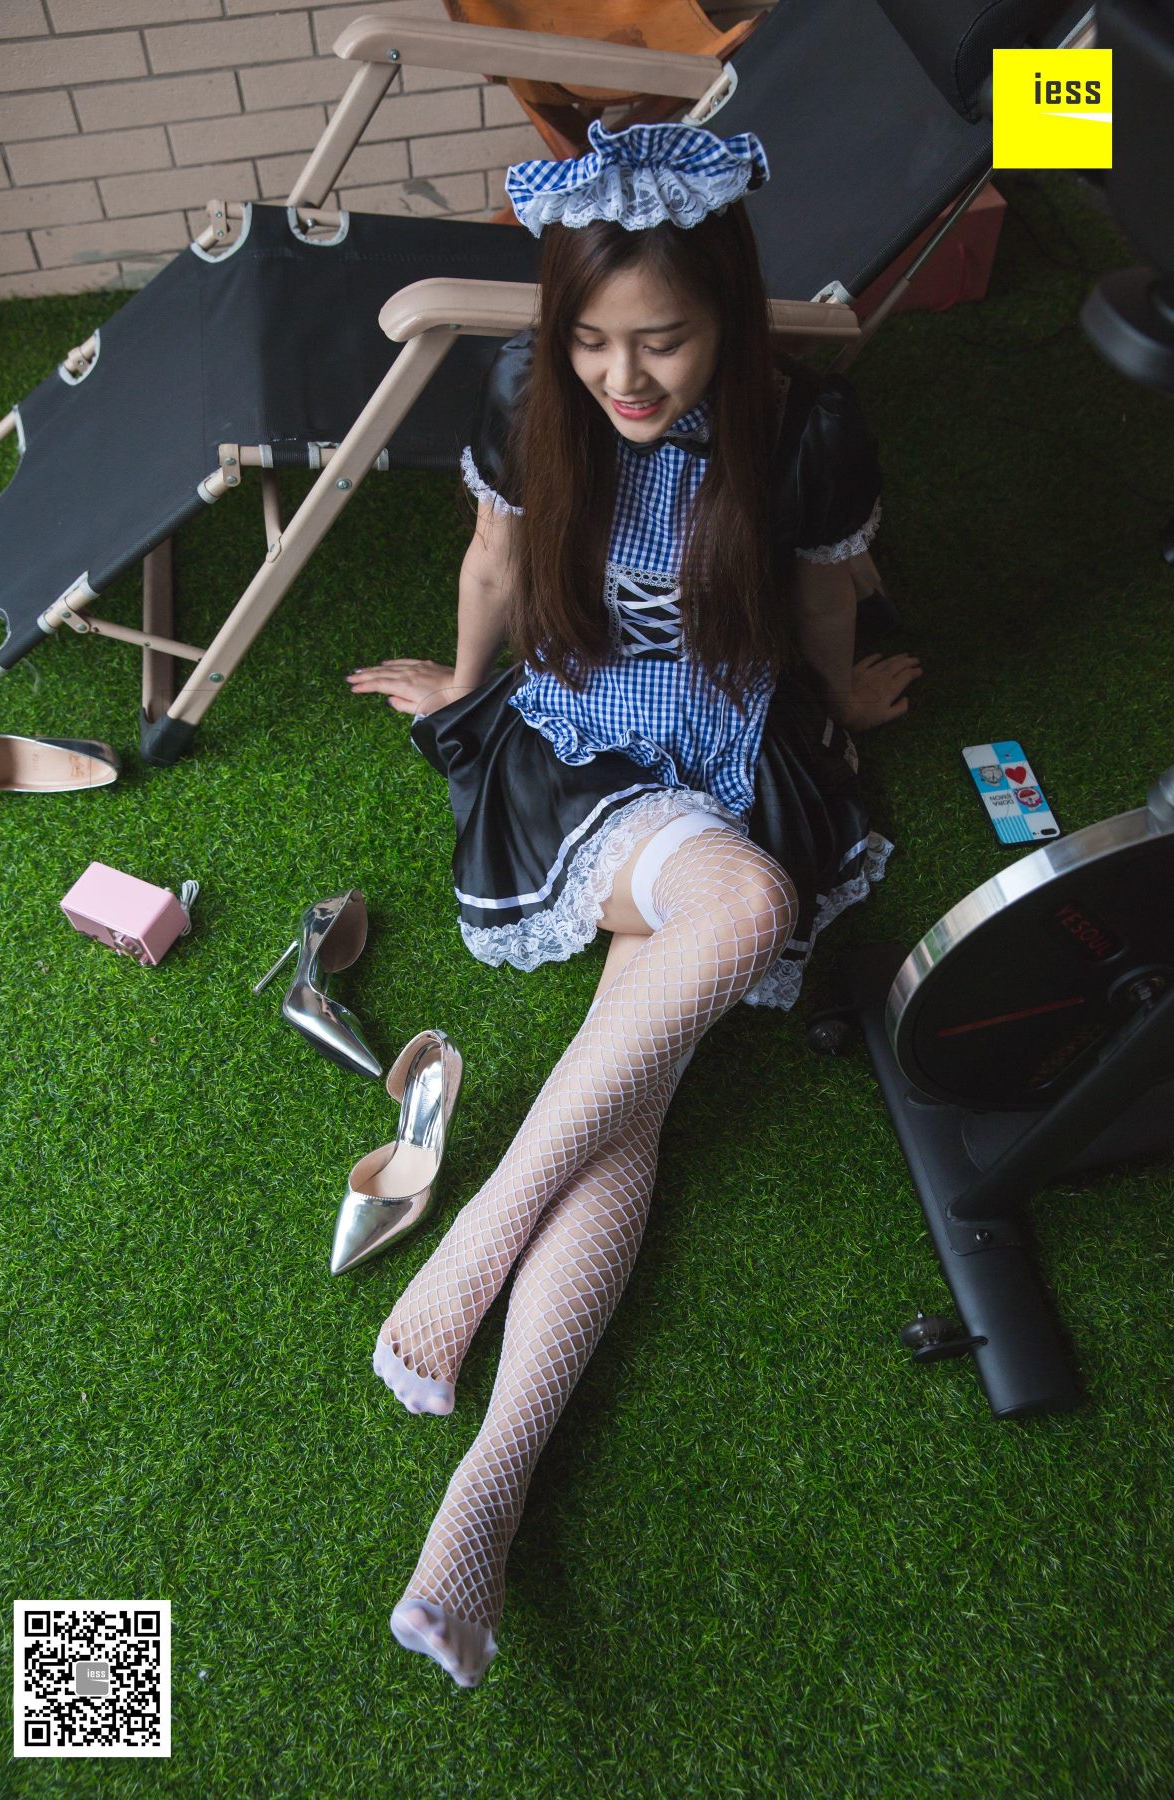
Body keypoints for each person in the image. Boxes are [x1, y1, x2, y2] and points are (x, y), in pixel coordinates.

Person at [346, 120, 921, 1688]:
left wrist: (837, 709)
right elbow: (493, 562)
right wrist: (463, 694)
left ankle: (481, 1503)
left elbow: (821, 593)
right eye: (593, 340)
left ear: (726, 311)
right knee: (740, 913)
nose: (623, 377)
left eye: (661, 339)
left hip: (731, 745)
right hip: (581, 754)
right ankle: (476, 1246)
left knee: (638, 1088)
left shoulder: (805, 431)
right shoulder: (527, 393)